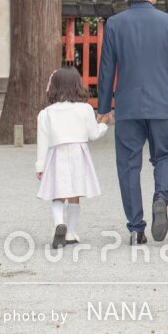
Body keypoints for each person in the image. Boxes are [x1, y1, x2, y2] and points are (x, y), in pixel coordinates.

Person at [97, 0, 168, 245]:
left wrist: (103, 108)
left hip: (127, 106)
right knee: (163, 156)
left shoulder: (115, 23)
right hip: (161, 103)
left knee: (128, 166)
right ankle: (160, 196)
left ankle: (137, 228)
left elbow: (107, 68)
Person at [36, 67, 109, 249]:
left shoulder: (46, 113)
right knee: (75, 194)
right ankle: (71, 233)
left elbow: (42, 142)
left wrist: (40, 166)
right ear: (77, 85)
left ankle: (59, 223)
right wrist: (104, 124)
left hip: (56, 154)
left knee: (58, 193)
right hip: (78, 153)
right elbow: (93, 134)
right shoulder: (85, 109)